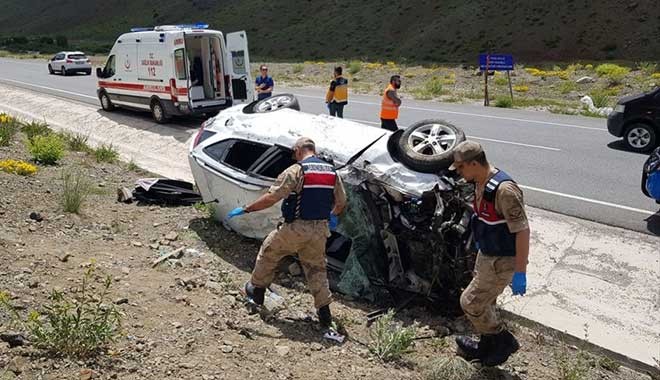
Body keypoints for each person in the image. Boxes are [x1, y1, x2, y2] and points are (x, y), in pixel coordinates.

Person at [226, 137, 347, 334]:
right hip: (319, 231)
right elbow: (341, 203)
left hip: (296, 228)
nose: (294, 156)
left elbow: (273, 197)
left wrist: (247, 209)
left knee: (269, 251)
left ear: (299, 150)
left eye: (294, 153)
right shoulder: (333, 173)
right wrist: (330, 217)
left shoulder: (296, 171)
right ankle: (324, 313)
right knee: (316, 269)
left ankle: (256, 291)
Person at [449, 141, 530, 367]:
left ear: (474, 163)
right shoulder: (479, 182)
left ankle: (502, 340)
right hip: (487, 255)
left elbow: (522, 231)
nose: (459, 173)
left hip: (502, 260)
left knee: (471, 303)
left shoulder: (505, 191)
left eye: (461, 168)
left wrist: (520, 272)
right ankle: (486, 347)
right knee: (486, 302)